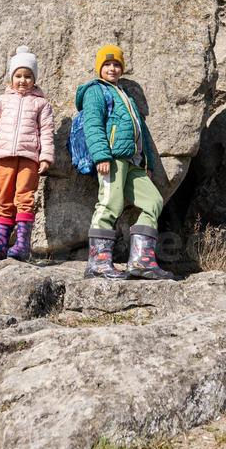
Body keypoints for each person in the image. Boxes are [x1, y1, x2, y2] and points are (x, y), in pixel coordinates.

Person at [74, 44, 173, 280]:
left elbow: (141, 134)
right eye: (107, 64)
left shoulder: (125, 95)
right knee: (110, 204)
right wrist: (101, 156)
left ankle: (141, 262)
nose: (112, 68)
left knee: (154, 201)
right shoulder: (95, 91)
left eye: (116, 64)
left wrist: (147, 163)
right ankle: (98, 263)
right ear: (99, 67)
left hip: (133, 162)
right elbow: (93, 124)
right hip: (112, 158)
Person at [0, 45, 54, 261]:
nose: (22, 80)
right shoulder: (1, 101)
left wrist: (46, 157)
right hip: (5, 156)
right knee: (4, 197)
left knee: (25, 197)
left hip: (30, 158)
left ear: (34, 78)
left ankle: (22, 245)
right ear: (11, 78)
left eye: (28, 76)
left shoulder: (42, 104)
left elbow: (47, 131)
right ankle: (0, 244)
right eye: (18, 75)